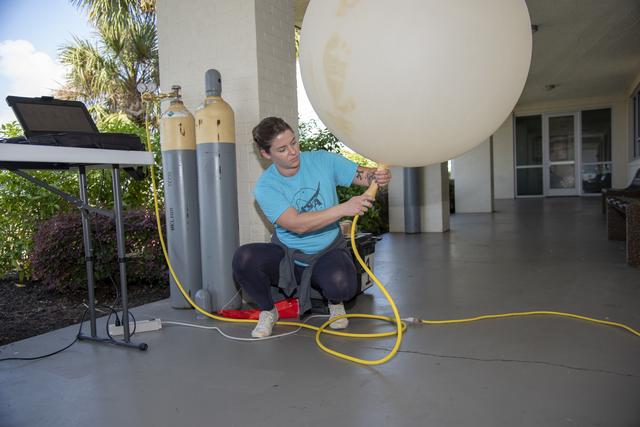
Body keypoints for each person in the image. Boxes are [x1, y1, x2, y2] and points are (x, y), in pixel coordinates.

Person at [232, 117, 391, 338]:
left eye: (294, 142)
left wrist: (379, 176)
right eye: (282, 149)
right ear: (266, 154)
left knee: (343, 285)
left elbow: (364, 176)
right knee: (244, 259)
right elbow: (297, 225)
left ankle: (335, 302)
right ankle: (268, 311)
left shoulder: (322, 161)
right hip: (287, 255)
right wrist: (343, 209)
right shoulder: (266, 187)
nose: (293, 151)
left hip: (327, 251)